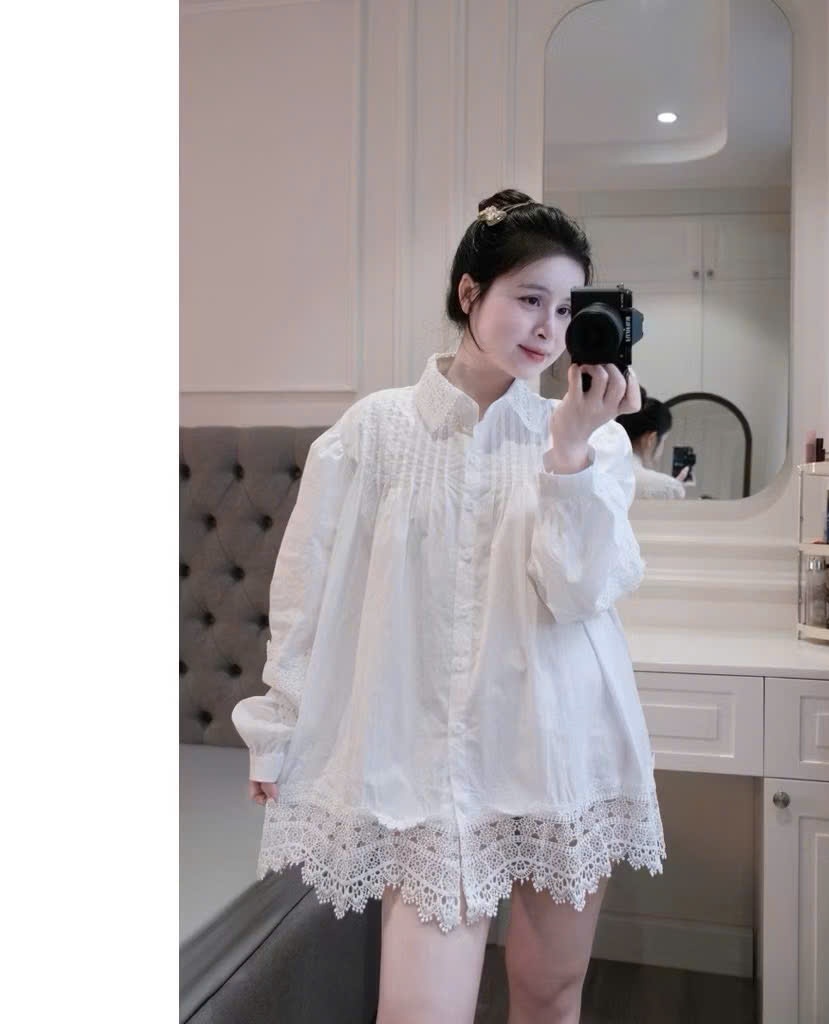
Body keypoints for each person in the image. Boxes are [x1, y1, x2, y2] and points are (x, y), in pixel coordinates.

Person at [231, 189, 667, 1024]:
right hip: (424, 764)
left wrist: (570, 450)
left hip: (560, 749)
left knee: (549, 995)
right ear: (470, 293)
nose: (549, 327)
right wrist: (277, 730)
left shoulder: (593, 440)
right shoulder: (374, 432)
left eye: (567, 309)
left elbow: (578, 591)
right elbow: (308, 588)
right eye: (529, 299)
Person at [617, 388, 690, 499]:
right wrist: (674, 487)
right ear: (650, 439)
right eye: (663, 441)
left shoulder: (600, 473)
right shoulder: (667, 487)